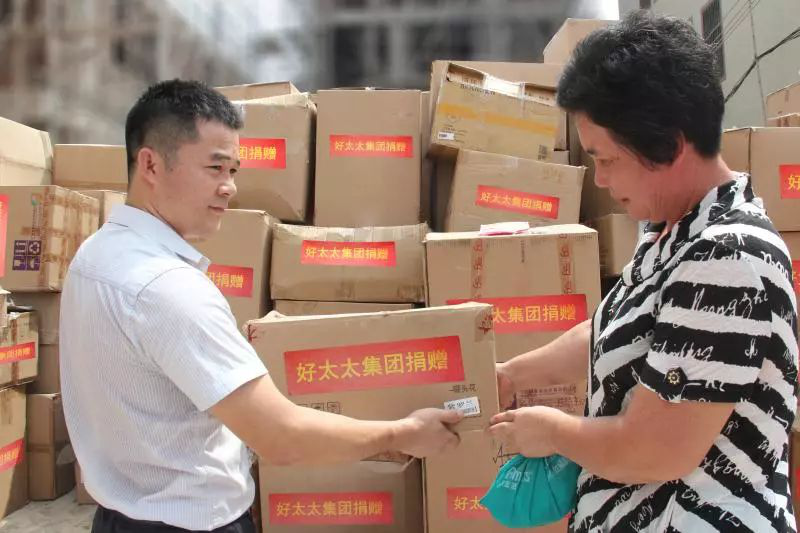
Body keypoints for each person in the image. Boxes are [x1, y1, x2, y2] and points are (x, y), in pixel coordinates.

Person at [60, 79, 463, 533]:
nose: (229, 188)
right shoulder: (167, 288)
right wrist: (404, 433)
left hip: (117, 518)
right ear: (151, 164)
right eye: (215, 168)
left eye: (233, 170)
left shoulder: (95, 256)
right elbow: (281, 437)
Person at [489, 11, 798, 532]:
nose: (600, 179)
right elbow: (613, 330)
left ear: (670, 145)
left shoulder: (727, 258)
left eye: (607, 159)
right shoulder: (670, 234)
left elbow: (656, 449)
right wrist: (513, 376)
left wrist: (553, 431)